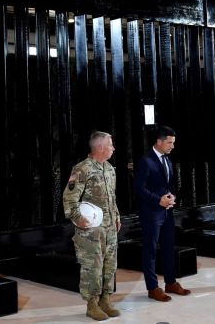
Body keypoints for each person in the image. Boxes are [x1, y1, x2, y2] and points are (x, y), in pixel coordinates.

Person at [62, 131, 122, 321]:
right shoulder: (82, 169)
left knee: (110, 266)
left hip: (110, 228)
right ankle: (92, 304)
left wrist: (117, 217)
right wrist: (78, 218)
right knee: (92, 268)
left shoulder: (110, 169)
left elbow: (112, 198)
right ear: (100, 147)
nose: (113, 148)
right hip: (91, 231)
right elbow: (69, 198)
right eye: (110, 145)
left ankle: (106, 299)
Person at [133, 125, 191, 302]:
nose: (172, 146)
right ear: (158, 141)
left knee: (168, 247)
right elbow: (138, 188)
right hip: (151, 212)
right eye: (169, 142)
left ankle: (170, 282)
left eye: (173, 143)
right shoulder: (145, 161)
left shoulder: (168, 160)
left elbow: (168, 185)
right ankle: (152, 288)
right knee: (150, 251)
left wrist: (172, 196)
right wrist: (158, 200)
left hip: (167, 212)